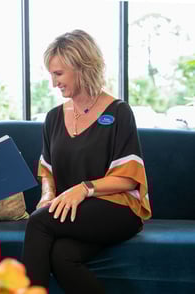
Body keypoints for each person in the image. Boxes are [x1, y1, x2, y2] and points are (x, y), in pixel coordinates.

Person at [22, 30, 152, 293]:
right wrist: (47, 196)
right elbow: (46, 171)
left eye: (58, 74)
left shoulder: (118, 112)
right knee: (62, 256)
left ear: (82, 67)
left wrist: (84, 188)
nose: (53, 83)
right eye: (51, 74)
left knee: (38, 222)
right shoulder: (53, 117)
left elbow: (129, 177)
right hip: (74, 211)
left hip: (118, 208)